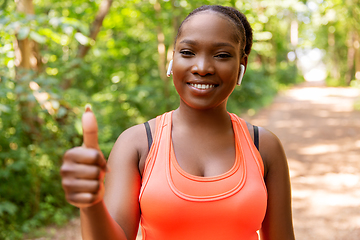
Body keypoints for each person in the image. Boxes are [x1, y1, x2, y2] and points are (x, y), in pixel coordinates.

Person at [61, 5, 295, 240]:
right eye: (188, 52)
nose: (202, 68)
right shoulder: (137, 143)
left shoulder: (264, 146)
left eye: (222, 55)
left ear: (241, 64)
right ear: (173, 58)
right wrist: (90, 203)